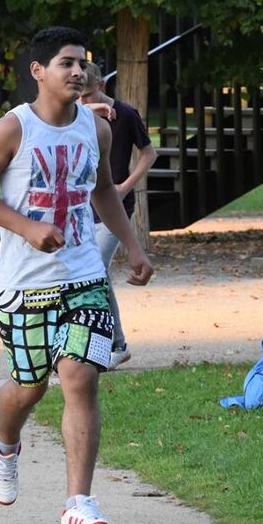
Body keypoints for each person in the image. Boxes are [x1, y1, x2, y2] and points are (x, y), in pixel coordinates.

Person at [0, 26, 154, 524]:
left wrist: (132, 247)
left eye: (84, 63)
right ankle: (4, 442)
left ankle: (78, 507)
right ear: (38, 71)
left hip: (84, 277)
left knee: (79, 377)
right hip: (23, 284)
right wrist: (25, 227)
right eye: (66, 62)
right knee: (30, 386)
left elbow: (105, 192)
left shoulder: (98, 130)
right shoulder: (12, 129)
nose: (78, 72)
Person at [80, 61, 157, 368]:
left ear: (102, 87)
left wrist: (125, 185)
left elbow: (149, 153)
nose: (82, 102)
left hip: (115, 207)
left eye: (87, 94)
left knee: (96, 268)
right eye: (78, 97)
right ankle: (100, 341)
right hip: (83, 207)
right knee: (92, 273)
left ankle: (117, 343)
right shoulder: (77, 116)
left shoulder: (125, 115)